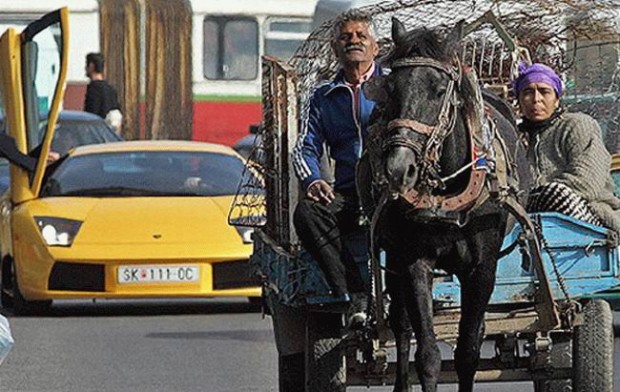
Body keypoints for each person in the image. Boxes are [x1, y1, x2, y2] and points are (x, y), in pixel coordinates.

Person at [292, 9, 380, 328]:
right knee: (307, 214)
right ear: (335, 49)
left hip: (394, 195)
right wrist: (313, 180)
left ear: (376, 47)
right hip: (348, 194)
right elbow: (304, 147)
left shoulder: (394, 88)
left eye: (361, 36)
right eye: (346, 37)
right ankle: (351, 292)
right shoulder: (323, 97)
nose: (353, 41)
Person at [515, 62, 620, 231]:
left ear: (556, 99)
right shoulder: (515, 138)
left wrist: (527, 198)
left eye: (544, 91)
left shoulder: (577, 125)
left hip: (592, 216)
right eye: (528, 92)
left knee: (557, 193)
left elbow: (587, 183)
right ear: (519, 100)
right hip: (532, 220)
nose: (536, 99)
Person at [83, 53, 122, 134]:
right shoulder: (111, 89)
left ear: (91, 66)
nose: (85, 68)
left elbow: (91, 115)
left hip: (97, 134)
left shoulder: (93, 88)